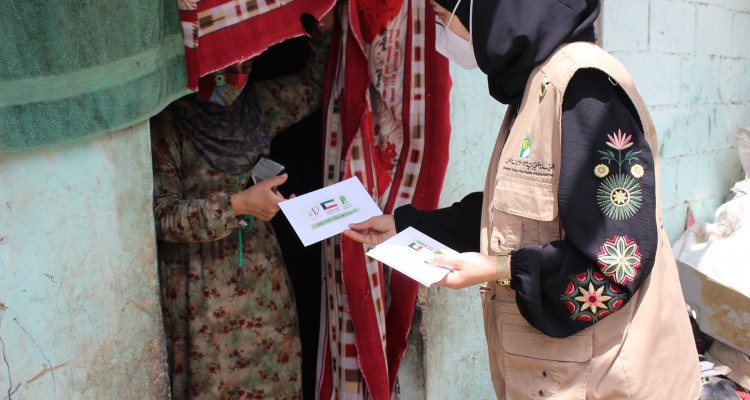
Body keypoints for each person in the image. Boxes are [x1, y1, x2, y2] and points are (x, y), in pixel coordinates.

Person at [344, 0, 702, 398]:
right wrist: (406, 225)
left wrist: (499, 268)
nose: (441, 35)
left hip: (610, 385)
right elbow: (515, 212)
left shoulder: (584, 91)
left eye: (443, 18)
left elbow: (618, 263)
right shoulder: (536, 87)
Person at [150, 11, 333, 399]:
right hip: (203, 294)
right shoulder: (169, 123)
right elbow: (162, 216)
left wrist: (323, 32)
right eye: (225, 68)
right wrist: (237, 205)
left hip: (263, 281)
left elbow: (314, 86)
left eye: (245, 65)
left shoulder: (256, 108)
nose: (234, 78)